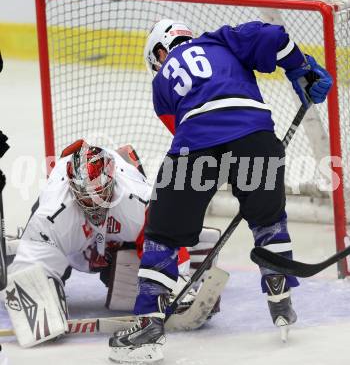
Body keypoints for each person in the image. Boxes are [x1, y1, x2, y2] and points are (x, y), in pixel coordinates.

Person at [108, 19, 333, 363]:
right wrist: (299, 68)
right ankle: (279, 290)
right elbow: (272, 36)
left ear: (159, 51)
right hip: (255, 134)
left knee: (163, 235)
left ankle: (148, 325)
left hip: (195, 144)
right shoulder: (220, 41)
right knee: (268, 218)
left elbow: (181, 129)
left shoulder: (161, 81)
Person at [5, 140, 219, 348]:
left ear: (112, 181)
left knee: (126, 288)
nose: (94, 204)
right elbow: (33, 261)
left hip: (117, 234)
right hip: (72, 241)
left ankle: (191, 242)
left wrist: (177, 284)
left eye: (100, 194)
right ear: (72, 188)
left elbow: (162, 238)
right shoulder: (53, 212)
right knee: (43, 274)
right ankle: (15, 251)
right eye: (86, 197)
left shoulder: (136, 198)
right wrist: (34, 293)